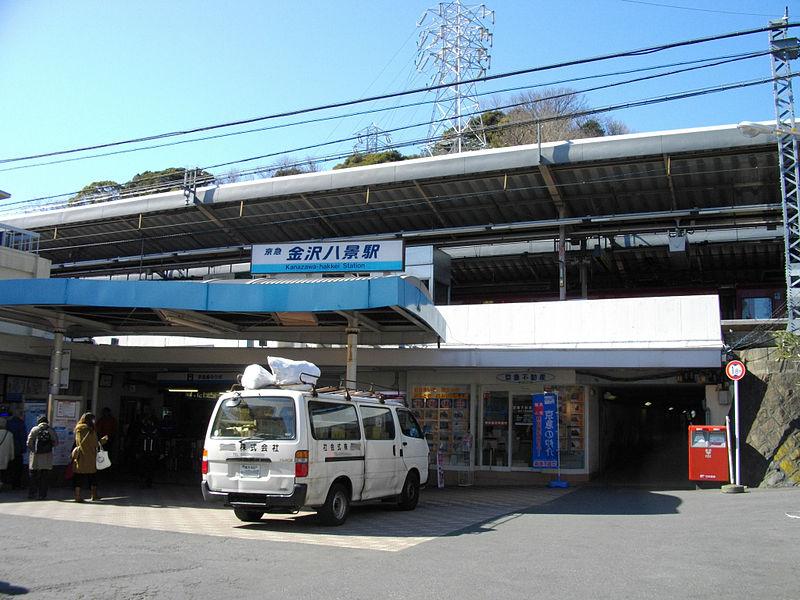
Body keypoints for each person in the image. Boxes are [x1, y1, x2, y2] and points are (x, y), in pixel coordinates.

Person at [72, 412, 107, 502]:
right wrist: (103, 440)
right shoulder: (90, 430)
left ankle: (77, 496)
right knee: (93, 476)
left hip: (80, 456)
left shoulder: (78, 429)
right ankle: (94, 495)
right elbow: (95, 444)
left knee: (79, 477)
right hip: (90, 456)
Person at [26, 415, 59, 500]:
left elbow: (29, 442)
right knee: (44, 476)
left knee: (33, 475)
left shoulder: (34, 429)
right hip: (47, 457)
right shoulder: (51, 430)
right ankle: (42, 494)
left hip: (35, 457)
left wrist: (33, 450)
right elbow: (56, 443)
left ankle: (32, 493)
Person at [137, 414, 160, 488]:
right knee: (144, 467)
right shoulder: (143, 429)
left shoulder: (154, 430)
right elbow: (139, 441)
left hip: (151, 452)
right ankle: (144, 482)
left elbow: (157, 442)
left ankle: (148, 482)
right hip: (144, 451)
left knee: (150, 468)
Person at [5, 408, 26, 490]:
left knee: (10, 467)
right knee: (18, 468)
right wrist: (23, 449)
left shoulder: (8, 423)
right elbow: (23, 437)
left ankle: (7, 483)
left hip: (8, 448)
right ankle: (16, 484)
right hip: (18, 449)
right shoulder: (21, 424)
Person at [0, 417, 14, 490]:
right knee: (3, 473)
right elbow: (11, 447)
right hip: (5, 457)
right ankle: (1, 484)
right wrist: (12, 456)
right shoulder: (9, 434)